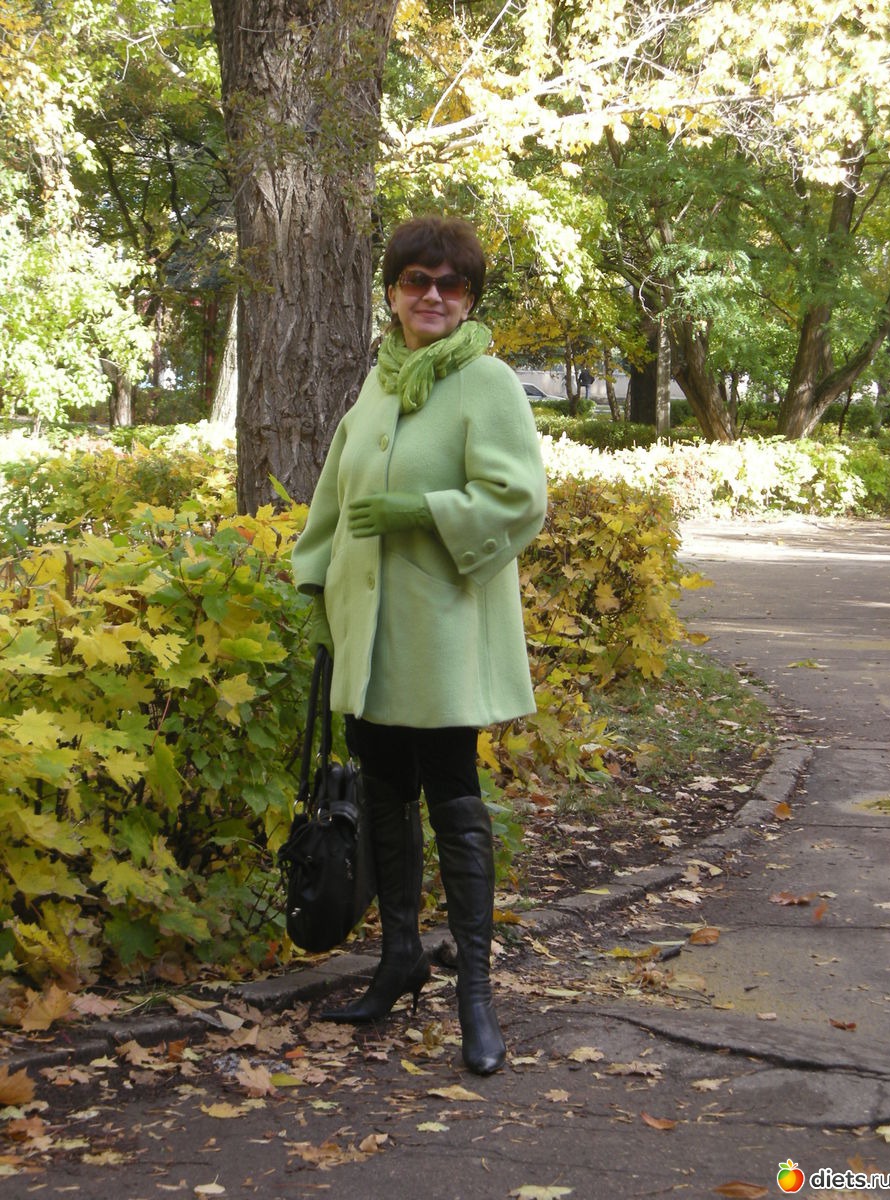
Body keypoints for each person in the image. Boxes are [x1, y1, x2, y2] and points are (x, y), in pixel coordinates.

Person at [290, 215, 547, 1075]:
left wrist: (422, 512)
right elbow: (334, 499)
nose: (432, 296)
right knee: (384, 792)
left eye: (450, 284)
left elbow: (519, 498)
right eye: (415, 281)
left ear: (469, 298)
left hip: (442, 637)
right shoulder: (377, 384)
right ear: (393, 293)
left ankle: (476, 992)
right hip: (367, 635)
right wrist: (316, 587)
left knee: (453, 797)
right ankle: (399, 959)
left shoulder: (487, 382)